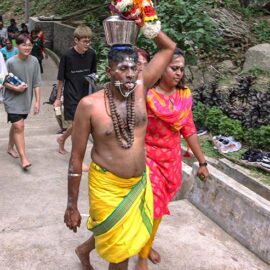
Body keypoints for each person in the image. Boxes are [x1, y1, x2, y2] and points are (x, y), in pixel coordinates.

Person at [63, 19, 176, 268]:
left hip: (138, 184)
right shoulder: (89, 105)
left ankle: (84, 250)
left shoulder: (140, 87)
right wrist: (71, 205)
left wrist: (146, 20)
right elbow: (76, 159)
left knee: (119, 236)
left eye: (133, 68)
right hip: (107, 187)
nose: (129, 73)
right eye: (122, 68)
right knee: (121, 253)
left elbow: (168, 49)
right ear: (108, 71)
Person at [137, 48, 209, 270]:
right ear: (160, 69)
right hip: (148, 158)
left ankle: (145, 246)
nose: (178, 73)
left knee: (157, 210)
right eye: (173, 68)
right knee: (153, 206)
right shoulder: (146, 95)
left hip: (172, 161)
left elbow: (189, 129)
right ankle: (141, 256)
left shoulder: (184, 95)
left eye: (181, 69)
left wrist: (202, 162)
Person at [53, 25, 96, 156]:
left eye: (89, 41)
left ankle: (62, 138)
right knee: (78, 127)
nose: (87, 44)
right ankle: (76, 158)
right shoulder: (67, 56)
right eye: (84, 41)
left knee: (78, 124)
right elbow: (61, 79)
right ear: (76, 40)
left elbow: (93, 75)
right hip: (71, 94)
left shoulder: (92, 54)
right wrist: (58, 98)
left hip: (85, 94)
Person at [3, 34, 41, 170]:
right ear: (17, 46)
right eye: (24, 45)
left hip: (26, 101)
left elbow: (36, 83)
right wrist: (16, 88)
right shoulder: (10, 62)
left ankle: (9, 147)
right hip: (12, 100)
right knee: (19, 127)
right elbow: (3, 81)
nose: (27, 47)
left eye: (30, 45)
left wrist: (37, 102)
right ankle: (24, 159)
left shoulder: (35, 61)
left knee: (16, 126)